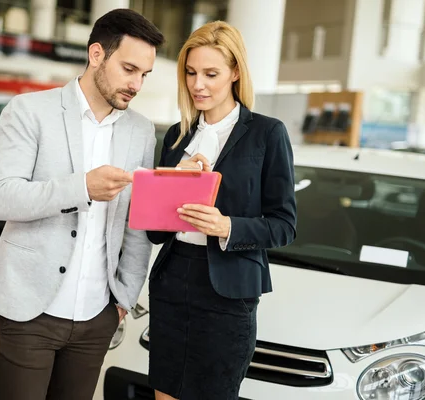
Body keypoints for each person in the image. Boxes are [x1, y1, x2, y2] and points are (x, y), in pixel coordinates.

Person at [0, 9, 164, 400]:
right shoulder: (29, 111)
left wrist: (123, 299)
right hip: (27, 309)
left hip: (97, 316)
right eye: (129, 68)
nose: (137, 84)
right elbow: (0, 198)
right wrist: (81, 187)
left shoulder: (141, 130)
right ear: (96, 54)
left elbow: (136, 221)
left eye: (144, 74)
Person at [146, 21, 297, 400]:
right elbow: (155, 231)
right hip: (173, 279)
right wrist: (167, 187)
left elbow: (284, 225)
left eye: (211, 74)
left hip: (228, 292)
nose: (198, 84)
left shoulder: (267, 133)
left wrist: (227, 226)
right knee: (164, 392)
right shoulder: (177, 137)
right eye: (192, 73)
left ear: (234, 73)